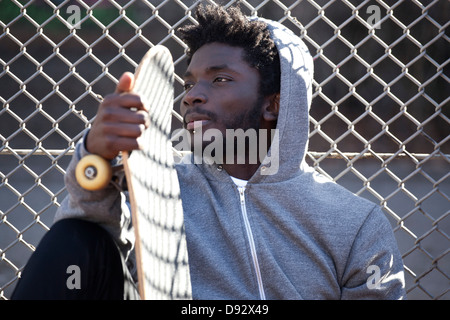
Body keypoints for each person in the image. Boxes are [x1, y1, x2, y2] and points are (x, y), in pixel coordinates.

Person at [12, 4, 406, 300]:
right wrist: (95, 157)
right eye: (189, 83)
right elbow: (90, 220)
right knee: (75, 240)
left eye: (219, 79)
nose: (191, 96)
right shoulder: (163, 186)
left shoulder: (353, 223)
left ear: (274, 104)